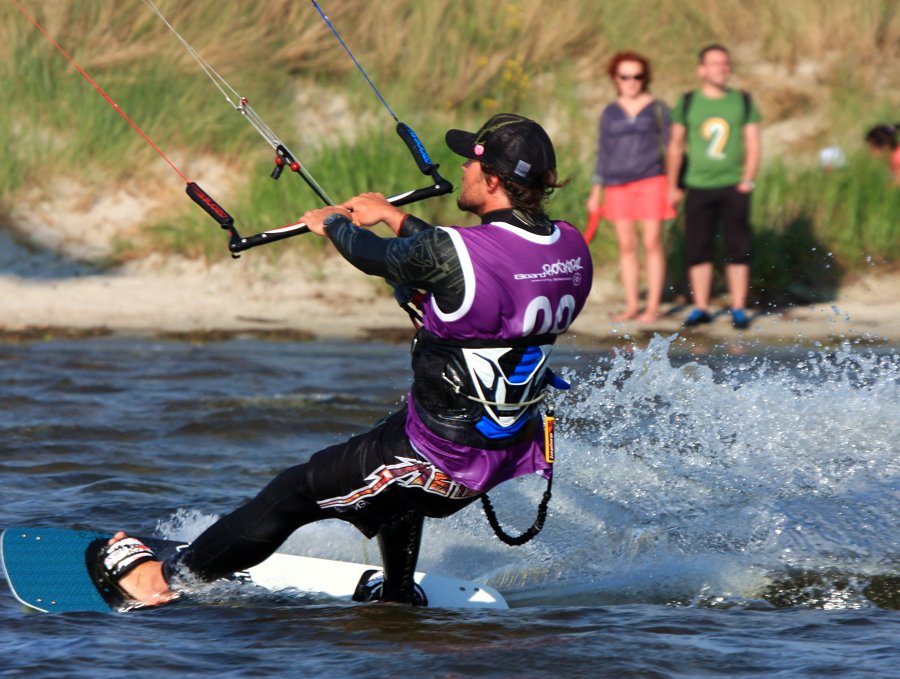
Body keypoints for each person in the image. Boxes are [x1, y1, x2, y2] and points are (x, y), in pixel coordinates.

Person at [98, 113, 593, 607]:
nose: (462, 168)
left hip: (443, 457)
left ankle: (157, 583)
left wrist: (332, 224)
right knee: (388, 458)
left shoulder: (452, 252)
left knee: (292, 493)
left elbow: (384, 257)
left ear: (493, 180)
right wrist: (392, 214)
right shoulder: (571, 248)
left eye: (471, 162)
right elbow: (476, 264)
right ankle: (398, 595)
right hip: (504, 445)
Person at [666, 44, 761, 330]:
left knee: (738, 246)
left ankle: (738, 308)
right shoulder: (689, 102)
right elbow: (676, 146)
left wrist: (748, 178)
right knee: (698, 247)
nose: (722, 68)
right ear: (702, 69)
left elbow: (753, 142)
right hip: (698, 185)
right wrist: (673, 184)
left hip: (734, 185)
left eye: (726, 63)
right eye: (716, 63)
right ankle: (701, 307)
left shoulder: (742, 101)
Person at [586, 51, 675, 323]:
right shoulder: (610, 113)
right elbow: (604, 152)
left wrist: (674, 184)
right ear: (616, 78)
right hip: (616, 184)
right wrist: (595, 191)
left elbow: (673, 148)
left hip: (652, 181)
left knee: (651, 242)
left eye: (637, 76)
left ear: (644, 78)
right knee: (626, 245)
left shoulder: (658, 109)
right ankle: (632, 305)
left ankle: (652, 307)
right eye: (625, 76)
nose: (632, 82)